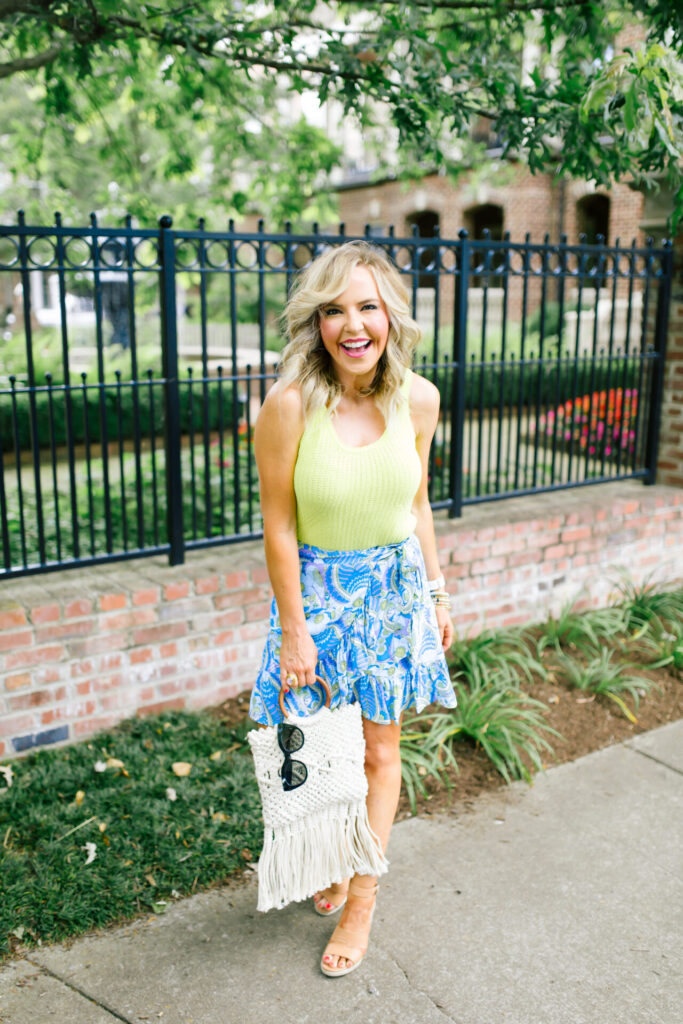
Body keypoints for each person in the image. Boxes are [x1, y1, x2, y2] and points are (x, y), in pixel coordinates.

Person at [249, 240, 457, 978]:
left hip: (392, 594)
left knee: (377, 751)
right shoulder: (288, 405)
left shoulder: (419, 399)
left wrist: (434, 592)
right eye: (334, 309)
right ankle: (336, 862)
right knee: (325, 749)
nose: (352, 324)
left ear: (390, 316)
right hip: (317, 599)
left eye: (366, 306)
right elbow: (277, 524)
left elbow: (417, 503)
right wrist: (295, 629)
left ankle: (362, 894)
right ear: (317, 323)